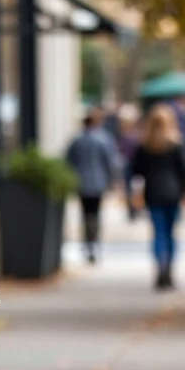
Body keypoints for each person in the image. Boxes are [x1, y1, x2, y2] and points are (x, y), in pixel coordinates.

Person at [131, 103, 185, 289]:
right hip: (172, 193)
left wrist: (135, 195)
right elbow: (182, 171)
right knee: (170, 233)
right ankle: (168, 267)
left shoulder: (145, 146)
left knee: (159, 233)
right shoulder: (176, 145)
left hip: (153, 193)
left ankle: (161, 266)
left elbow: (136, 173)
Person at [65, 109, 119, 262]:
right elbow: (111, 162)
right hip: (98, 183)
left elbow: (69, 161)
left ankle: (88, 244)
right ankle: (94, 243)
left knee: (85, 214)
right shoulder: (103, 139)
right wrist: (114, 180)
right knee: (95, 214)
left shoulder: (77, 140)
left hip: (82, 183)